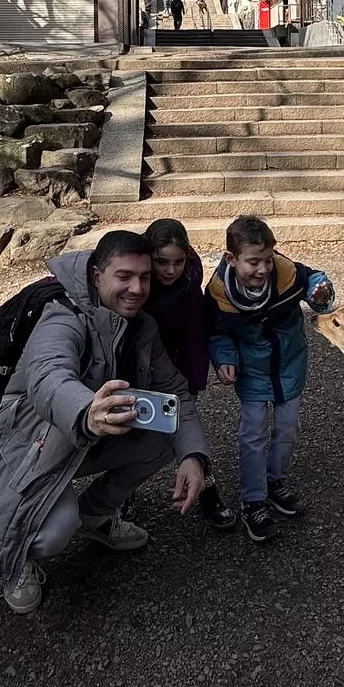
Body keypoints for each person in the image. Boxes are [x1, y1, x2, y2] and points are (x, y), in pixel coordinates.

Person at [0, 231, 212, 614]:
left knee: (165, 433)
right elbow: (49, 375)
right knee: (54, 532)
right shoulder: (62, 316)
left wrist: (193, 457)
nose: (136, 288)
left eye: (144, 277)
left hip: (90, 438)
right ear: (97, 276)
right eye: (124, 276)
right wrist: (86, 411)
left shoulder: (142, 327)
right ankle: (17, 562)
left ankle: (96, 517)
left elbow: (176, 396)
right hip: (35, 447)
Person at [205, 214, 335, 544]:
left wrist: (320, 293)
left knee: (288, 428)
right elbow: (217, 332)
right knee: (252, 433)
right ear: (231, 259)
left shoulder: (286, 273)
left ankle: (274, 480)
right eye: (253, 263)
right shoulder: (220, 293)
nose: (262, 269)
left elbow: (314, 283)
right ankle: (253, 500)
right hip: (251, 370)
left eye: (267, 259)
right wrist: (224, 359)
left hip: (289, 363)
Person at [142, 217, 237, 532]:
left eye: (177, 262)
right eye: (162, 262)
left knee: (187, 429)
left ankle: (208, 489)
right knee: (133, 429)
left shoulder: (188, 287)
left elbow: (196, 335)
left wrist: (194, 379)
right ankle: (121, 498)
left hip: (175, 368)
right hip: (138, 366)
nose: (170, 270)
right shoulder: (137, 282)